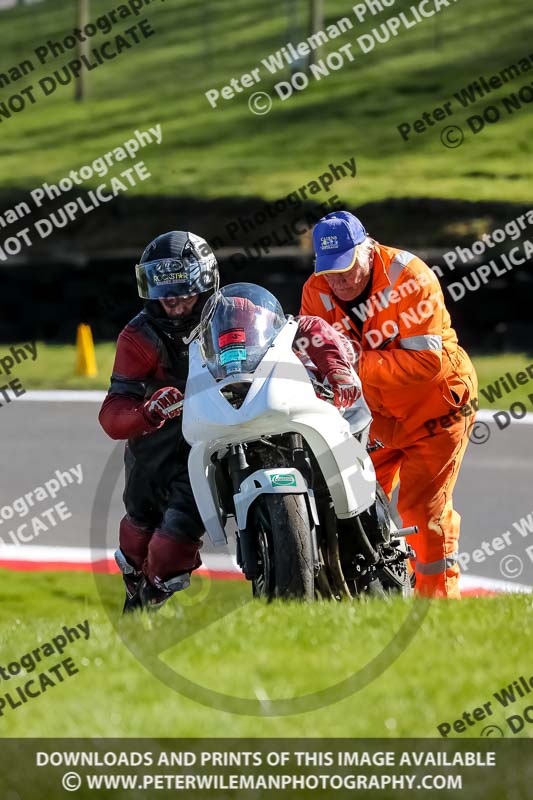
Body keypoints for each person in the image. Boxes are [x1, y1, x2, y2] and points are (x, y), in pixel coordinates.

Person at [99, 230, 358, 612]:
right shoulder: (139, 337)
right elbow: (112, 413)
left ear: (205, 283)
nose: (173, 303)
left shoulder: (238, 309)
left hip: (236, 418)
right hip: (164, 447)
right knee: (149, 548)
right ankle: (140, 601)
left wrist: (335, 366)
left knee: (170, 546)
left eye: (184, 291)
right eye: (164, 292)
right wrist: (148, 411)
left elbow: (300, 328)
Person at [300, 211, 478, 598]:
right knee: (349, 503)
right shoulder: (316, 289)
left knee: (423, 512)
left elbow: (426, 363)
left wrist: (353, 360)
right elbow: (310, 353)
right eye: (330, 272)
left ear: (368, 249)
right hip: (374, 417)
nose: (340, 281)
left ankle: (437, 607)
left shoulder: (410, 277)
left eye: (347, 268)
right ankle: (368, 600)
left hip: (436, 408)